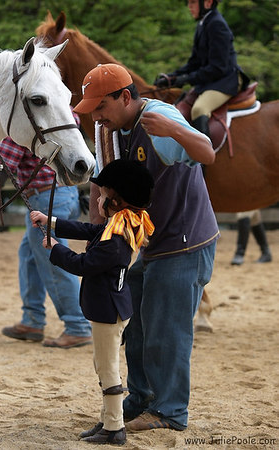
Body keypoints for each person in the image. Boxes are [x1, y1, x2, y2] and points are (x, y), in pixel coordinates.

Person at [72, 63, 219, 432]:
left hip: (184, 241)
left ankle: (170, 413)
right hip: (152, 242)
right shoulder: (116, 129)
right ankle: (141, 397)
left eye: (101, 107)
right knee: (133, 322)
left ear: (125, 96)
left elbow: (208, 153)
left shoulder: (158, 121)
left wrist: (175, 128)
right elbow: (101, 177)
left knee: (166, 330)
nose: (98, 117)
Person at [31, 159, 155, 445]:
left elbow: (83, 264)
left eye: (102, 194)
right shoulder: (115, 226)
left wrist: (55, 248)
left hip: (107, 311)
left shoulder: (115, 240)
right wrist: (49, 221)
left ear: (116, 201)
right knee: (103, 364)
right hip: (109, 308)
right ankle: (108, 420)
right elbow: (86, 231)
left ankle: (114, 428)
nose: (97, 198)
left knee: (108, 367)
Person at [0, 133, 92, 349]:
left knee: (53, 261)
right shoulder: (65, 117)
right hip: (65, 193)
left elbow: (4, 166)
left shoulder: (19, 131)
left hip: (44, 198)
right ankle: (33, 320)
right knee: (30, 255)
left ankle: (78, 326)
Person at [154, 0, 249, 137]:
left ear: (208, 2)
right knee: (179, 105)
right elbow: (194, 63)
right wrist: (173, 78)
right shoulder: (203, 24)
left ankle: (205, 156)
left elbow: (218, 68)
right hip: (213, 79)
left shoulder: (217, 24)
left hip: (226, 80)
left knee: (199, 109)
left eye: (192, 2)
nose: (189, 7)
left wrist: (186, 79)